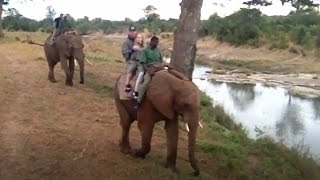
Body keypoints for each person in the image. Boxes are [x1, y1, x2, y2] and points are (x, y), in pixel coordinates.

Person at [133, 36, 163, 103]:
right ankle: (138, 100)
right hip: (149, 67)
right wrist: (148, 71)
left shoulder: (158, 51)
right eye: (155, 43)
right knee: (145, 83)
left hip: (159, 68)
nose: (156, 44)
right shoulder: (145, 50)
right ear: (151, 42)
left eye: (157, 43)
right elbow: (143, 63)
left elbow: (161, 61)